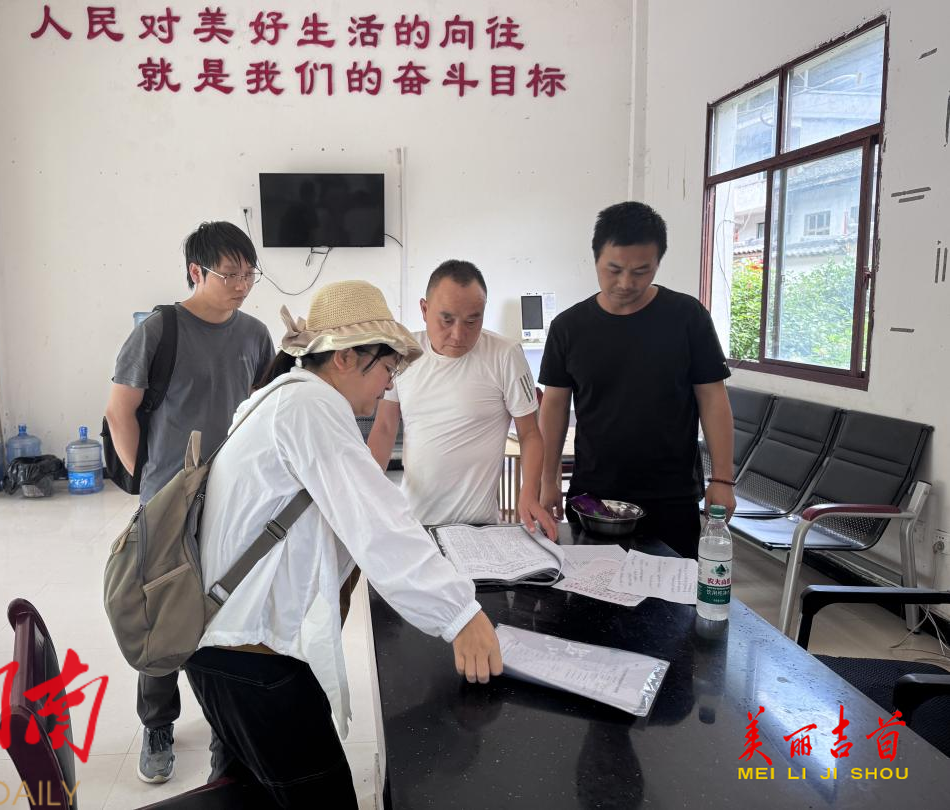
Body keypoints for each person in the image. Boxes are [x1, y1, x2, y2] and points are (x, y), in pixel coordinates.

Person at [187, 280, 502, 808]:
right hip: (249, 661)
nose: (389, 383)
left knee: (252, 794)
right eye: (387, 367)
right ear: (346, 357)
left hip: (229, 649)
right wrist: (460, 614)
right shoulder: (309, 406)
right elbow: (377, 523)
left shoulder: (282, 398)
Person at [105, 221, 274, 784]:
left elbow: (263, 408)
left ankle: (229, 726)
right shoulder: (159, 330)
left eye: (249, 274)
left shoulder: (255, 335)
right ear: (196, 272)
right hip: (169, 499)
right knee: (164, 610)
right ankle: (157, 724)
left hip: (234, 497)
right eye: (230, 274)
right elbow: (119, 411)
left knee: (228, 612)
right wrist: (148, 483)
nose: (242, 285)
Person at [538, 201, 735, 558]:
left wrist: (722, 479)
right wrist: (548, 479)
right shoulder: (569, 327)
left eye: (642, 271)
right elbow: (554, 406)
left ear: (657, 264)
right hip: (594, 496)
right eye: (614, 269)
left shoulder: (687, 317)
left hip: (672, 495)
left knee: (674, 590)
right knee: (591, 590)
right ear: (595, 259)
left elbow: (713, 399)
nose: (626, 283)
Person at [368, 260, 556, 538]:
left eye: (471, 321)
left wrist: (528, 492)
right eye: (447, 320)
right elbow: (384, 428)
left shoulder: (504, 355)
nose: (458, 335)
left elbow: (529, 434)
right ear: (424, 310)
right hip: (415, 523)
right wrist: (368, 492)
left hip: (479, 526)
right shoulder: (404, 353)